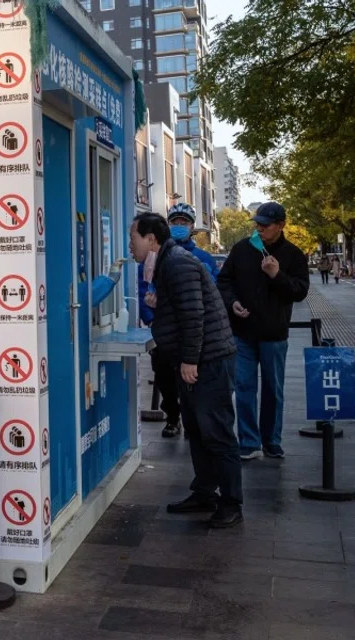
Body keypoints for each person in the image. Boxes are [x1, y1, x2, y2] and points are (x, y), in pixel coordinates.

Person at [129, 212, 242, 528]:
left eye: (133, 237)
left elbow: (195, 317)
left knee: (217, 432)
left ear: (151, 239)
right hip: (194, 360)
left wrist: (190, 361)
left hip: (209, 362)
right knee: (196, 430)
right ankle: (205, 492)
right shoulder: (165, 263)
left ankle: (232, 501)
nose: (130, 245)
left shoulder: (177, 264)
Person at [217, 202, 310, 460]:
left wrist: (277, 275)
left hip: (274, 333)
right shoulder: (242, 249)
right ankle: (249, 441)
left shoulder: (293, 255)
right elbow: (224, 281)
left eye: (265, 225)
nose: (259, 228)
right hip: (243, 332)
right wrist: (232, 302)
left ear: (280, 226)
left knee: (273, 389)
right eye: (257, 223)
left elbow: (300, 291)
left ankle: (272, 441)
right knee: (244, 386)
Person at [138, 203, 219, 439]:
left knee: (193, 379)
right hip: (164, 333)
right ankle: (173, 417)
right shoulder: (152, 259)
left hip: (194, 333)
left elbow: (212, 293)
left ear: (192, 226)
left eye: (184, 222)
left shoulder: (203, 258)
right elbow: (144, 292)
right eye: (175, 222)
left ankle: (195, 420)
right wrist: (152, 319)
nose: (179, 226)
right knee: (165, 377)